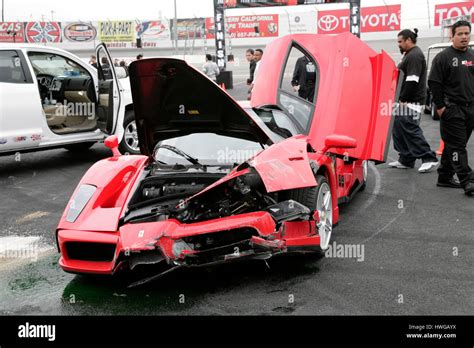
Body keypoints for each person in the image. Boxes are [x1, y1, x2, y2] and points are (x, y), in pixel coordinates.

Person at [428, 20, 474, 196]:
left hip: (470, 108)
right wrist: (440, 107)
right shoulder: (443, 57)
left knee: (455, 144)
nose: (464, 37)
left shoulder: (472, 55)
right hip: (452, 109)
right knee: (457, 147)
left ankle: (445, 176)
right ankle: (467, 180)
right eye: (460, 34)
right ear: (452, 36)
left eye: (466, 33)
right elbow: (434, 83)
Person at [389, 28, 439, 173]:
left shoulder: (415, 56)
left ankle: (429, 158)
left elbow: (412, 79)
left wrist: (404, 98)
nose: (398, 44)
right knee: (399, 130)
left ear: (408, 40)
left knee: (410, 129)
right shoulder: (409, 55)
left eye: (400, 42)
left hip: (410, 101)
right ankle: (406, 158)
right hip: (404, 101)